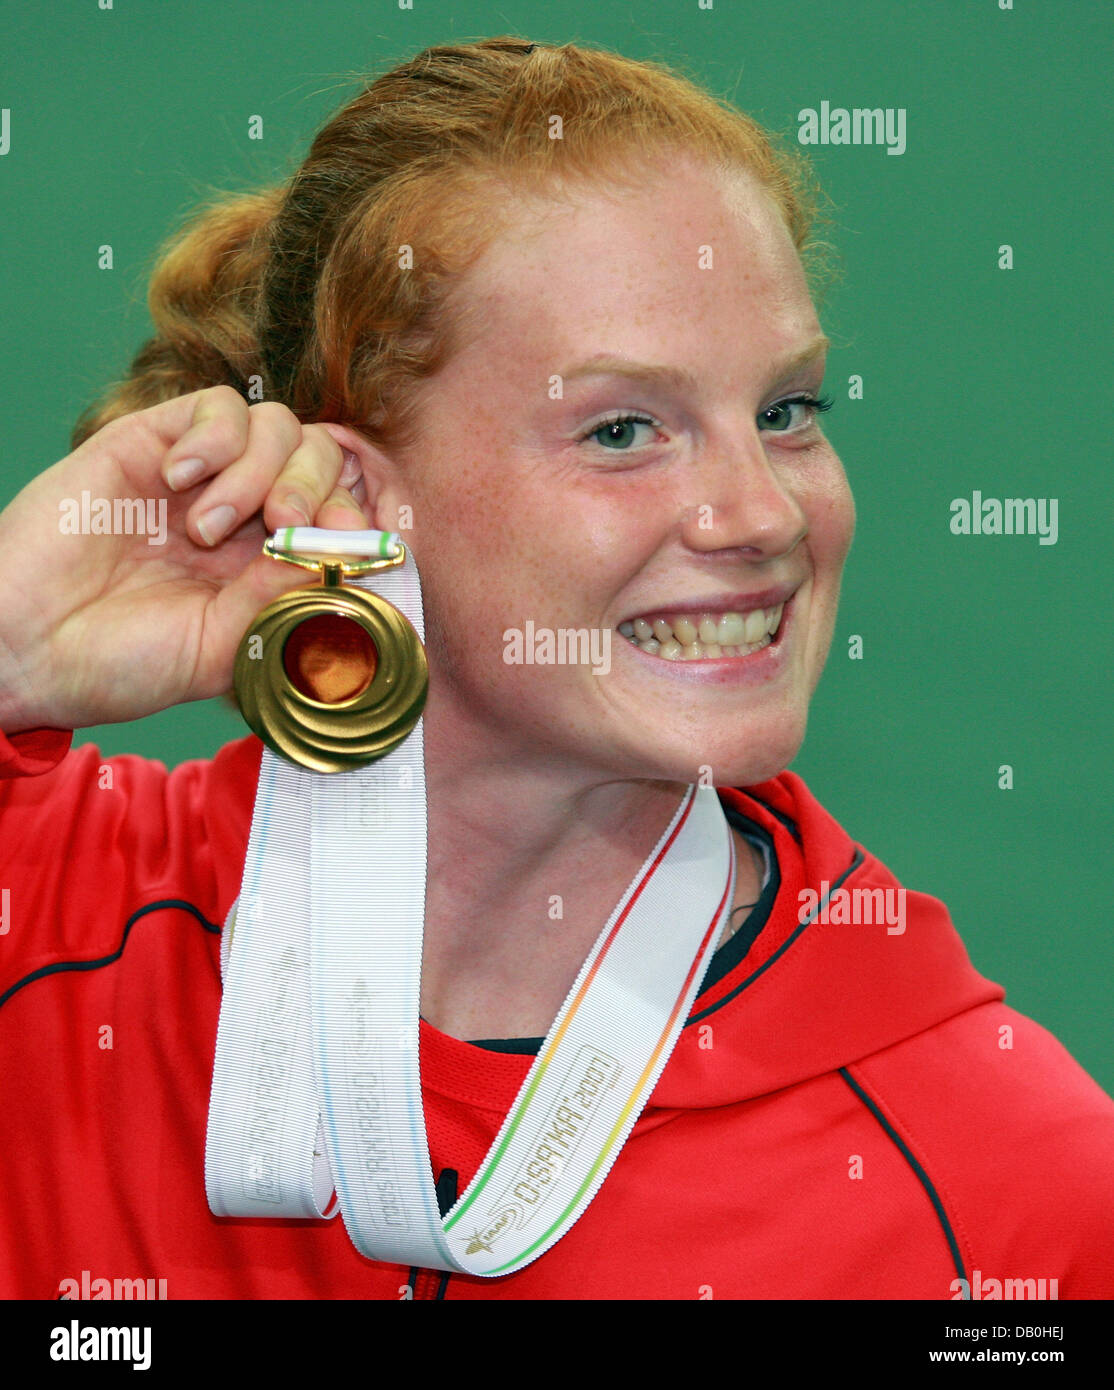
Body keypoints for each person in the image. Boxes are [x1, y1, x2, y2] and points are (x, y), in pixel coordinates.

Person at [1, 36, 1111, 1302]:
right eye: (623, 429)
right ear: (356, 489)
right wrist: (11, 646)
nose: (762, 514)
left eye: (786, 413)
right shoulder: (52, 917)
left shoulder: (1011, 1191)